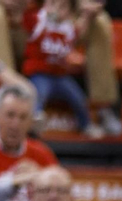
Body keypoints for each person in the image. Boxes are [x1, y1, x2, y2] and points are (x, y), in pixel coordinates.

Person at [21, 0, 103, 136]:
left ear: (70, 13)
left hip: (60, 76)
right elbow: (26, 15)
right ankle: (33, 128)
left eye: (63, 7)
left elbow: (80, 32)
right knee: (37, 95)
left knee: (78, 98)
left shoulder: (68, 28)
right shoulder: (39, 21)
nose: (56, 10)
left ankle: (87, 125)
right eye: (52, 3)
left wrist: (87, 15)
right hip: (39, 74)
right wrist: (41, 11)